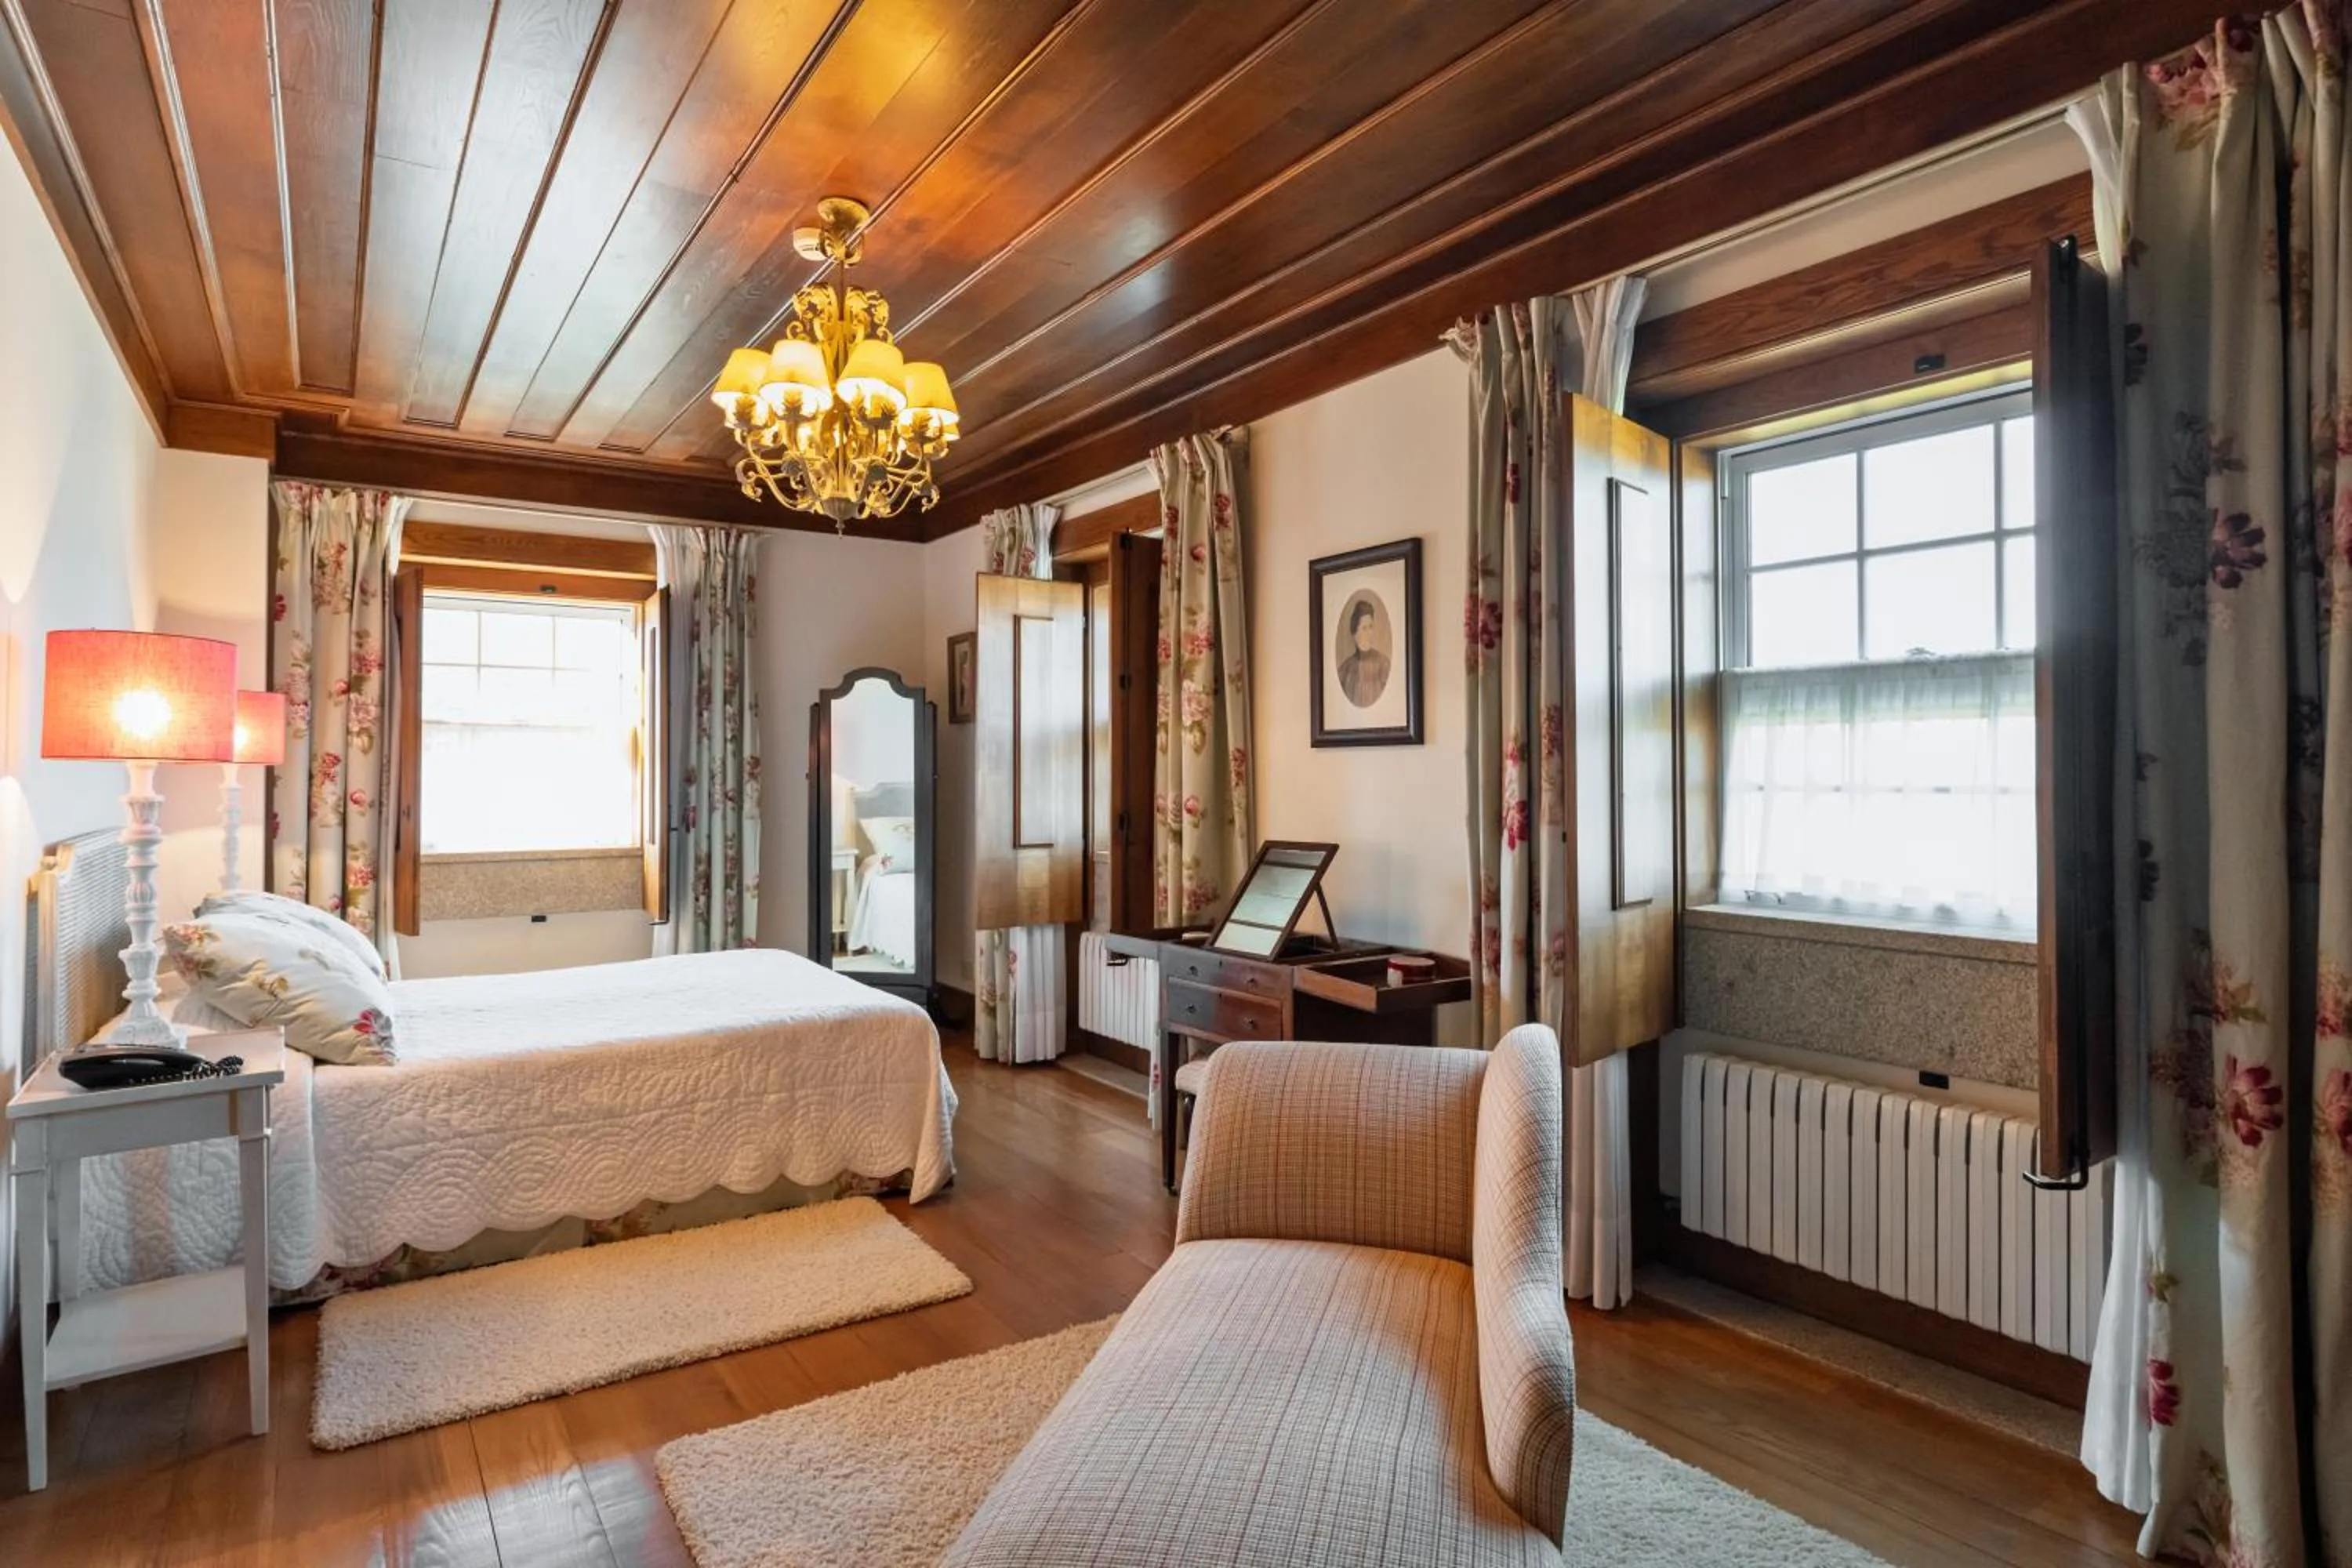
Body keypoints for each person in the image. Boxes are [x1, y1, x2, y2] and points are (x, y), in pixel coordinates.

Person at [1338, 597, 1388, 707]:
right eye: (1364, 628)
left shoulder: (1383, 664)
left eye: (1371, 627)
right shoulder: (1344, 670)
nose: (1369, 633)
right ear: (1355, 634)